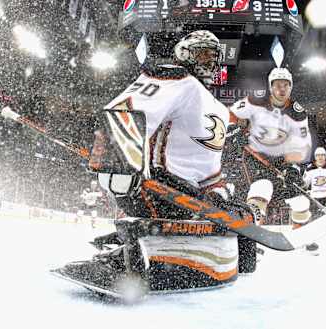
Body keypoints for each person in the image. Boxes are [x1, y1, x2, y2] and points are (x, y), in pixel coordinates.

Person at [53, 30, 259, 296]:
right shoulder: (176, 78)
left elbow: (208, 169)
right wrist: (119, 161)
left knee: (240, 216)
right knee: (223, 223)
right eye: (203, 54)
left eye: (214, 57)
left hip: (191, 195)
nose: (209, 62)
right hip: (158, 188)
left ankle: (192, 251)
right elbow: (125, 110)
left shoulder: (218, 108)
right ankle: (129, 257)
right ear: (184, 55)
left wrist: (218, 198)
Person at [228, 67, 313, 226]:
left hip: (282, 158)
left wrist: (293, 168)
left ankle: (301, 230)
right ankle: (252, 228)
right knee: (262, 186)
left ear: (291, 86)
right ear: (270, 86)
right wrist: (235, 132)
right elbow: (230, 116)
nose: (281, 89)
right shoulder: (255, 100)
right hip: (254, 155)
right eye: (277, 85)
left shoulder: (298, 112)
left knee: (299, 199)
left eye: (285, 85)